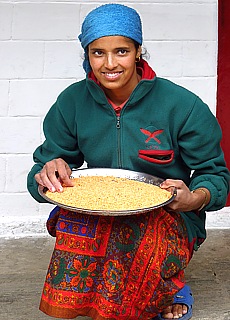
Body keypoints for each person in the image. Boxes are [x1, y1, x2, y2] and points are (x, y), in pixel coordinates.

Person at [27, 3, 230, 320]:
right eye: (98, 53)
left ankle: (168, 287)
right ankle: (94, 299)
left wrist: (194, 198)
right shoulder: (72, 102)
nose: (109, 63)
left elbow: (215, 175)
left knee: (130, 234)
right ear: (87, 55)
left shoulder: (181, 105)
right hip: (99, 209)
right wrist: (47, 171)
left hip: (170, 214)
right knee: (72, 223)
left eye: (121, 51)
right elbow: (42, 168)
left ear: (138, 51)